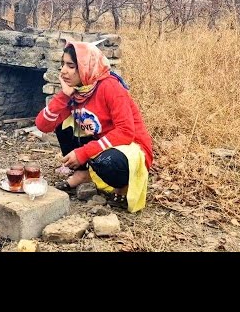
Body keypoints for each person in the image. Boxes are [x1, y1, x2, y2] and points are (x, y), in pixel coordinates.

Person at [35, 41, 153, 212]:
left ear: (85, 66)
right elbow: (42, 125)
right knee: (62, 124)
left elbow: (126, 132)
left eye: (70, 66)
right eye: (62, 65)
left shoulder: (110, 87)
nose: (63, 71)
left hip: (132, 147)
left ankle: (123, 186)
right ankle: (83, 174)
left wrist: (83, 152)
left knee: (106, 162)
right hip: (103, 142)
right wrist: (63, 96)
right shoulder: (78, 90)